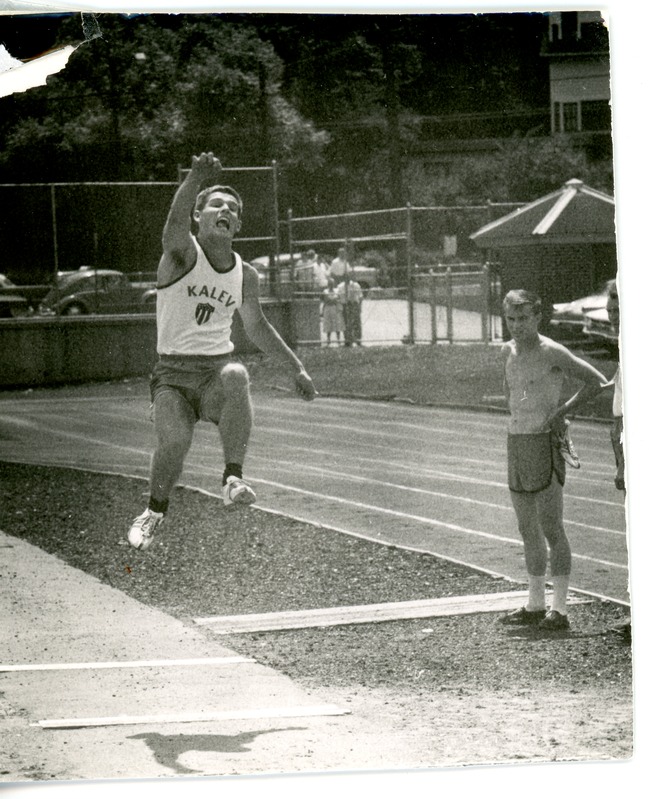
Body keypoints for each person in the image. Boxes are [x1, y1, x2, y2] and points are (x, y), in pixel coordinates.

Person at [127, 152, 316, 550]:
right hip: (173, 376)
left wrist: (295, 369)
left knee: (237, 374)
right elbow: (172, 226)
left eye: (233, 207)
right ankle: (153, 513)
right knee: (175, 444)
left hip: (215, 374)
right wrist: (195, 178)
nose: (225, 209)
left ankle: (232, 479)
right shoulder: (182, 253)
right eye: (216, 204)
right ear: (199, 216)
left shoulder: (245, 274)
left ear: (239, 224)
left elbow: (257, 326)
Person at [499, 289, 607, 631]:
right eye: (511, 319)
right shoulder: (508, 351)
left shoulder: (552, 351)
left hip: (544, 445)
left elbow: (597, 381)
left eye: (524, 319)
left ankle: (559, 609)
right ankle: (535, 603)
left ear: (538, 318)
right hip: (516, 443)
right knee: (525, 527)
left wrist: (562, 412)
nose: (517, 326)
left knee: (551, 527)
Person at [336, 271, 363, 346]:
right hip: (345, 305)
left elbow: (360, 296)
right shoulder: (340, 286)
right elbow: (338, 297)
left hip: (354, 304)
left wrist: (360, 307)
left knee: (356, 322)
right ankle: (347, 340)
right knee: (346, 323)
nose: (347, 278)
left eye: (348, 277)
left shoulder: (355, 285)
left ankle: (358, 340)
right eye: (345, 277)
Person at [320, 276, 344, 346]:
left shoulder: (337, 291)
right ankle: (328, 340)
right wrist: (331, 300)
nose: (331, 285)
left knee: (337, 324)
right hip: (328, 308)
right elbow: (324, 300)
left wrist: (334, 300)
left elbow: (338, 299)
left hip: (335, 308)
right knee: (328, 324)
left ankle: (338, 340)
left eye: (332, 283)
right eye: (330, 283)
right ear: (328, 284)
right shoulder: (325, 291)